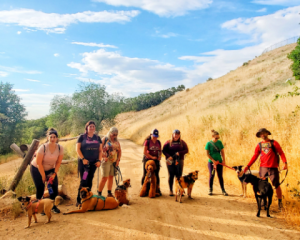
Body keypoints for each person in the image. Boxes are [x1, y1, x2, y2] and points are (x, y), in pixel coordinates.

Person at [244, 128, 288, 210]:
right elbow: (255, 156)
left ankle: (280, 203)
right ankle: (264, 202)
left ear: (267, 133)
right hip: (263, 168)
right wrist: (248, 166)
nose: (262, 135)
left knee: (276, 185)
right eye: (261, 134)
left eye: (263, 133)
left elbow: (281, 152)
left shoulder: (274, 143)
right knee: (263, 185)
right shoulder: (259, 145)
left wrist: (285, 163)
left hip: (273, 167)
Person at [30, 128, 64, 213]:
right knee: (40, 188)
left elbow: (59, 162)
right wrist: (43, 176)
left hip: (50, 169)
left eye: (54, 137)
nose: (52, 139)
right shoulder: (43, 147)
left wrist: (54, 174)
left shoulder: (60, 148)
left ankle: (52, 206)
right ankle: (40, 208)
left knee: (53, 187)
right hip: (37, 169)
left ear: (57, 138)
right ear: (48, 138)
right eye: (51, 137)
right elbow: (38, 163)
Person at [76, 121, 102, 205]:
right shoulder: (82, 137)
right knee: (84, 180)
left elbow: (100, 150)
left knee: (90, 180)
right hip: (84, 164)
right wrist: (83, 159)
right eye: (90, 126)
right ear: (86, 127)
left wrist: (99, 161)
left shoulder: (97, 138)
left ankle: (87, 198)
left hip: (93, 163)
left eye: (93, 126)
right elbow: (78, 149)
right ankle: (79, 199)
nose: (92, 128)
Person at [163, 129, 188, 196]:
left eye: (178, 134)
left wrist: (179, 153)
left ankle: (179, 190)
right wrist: (168, 156)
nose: (176, 135)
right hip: (170, 161)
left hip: (180, 160)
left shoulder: (182, 142)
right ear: (173, 134)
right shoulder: (168, 142)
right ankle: (171, 190)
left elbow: (186, 150)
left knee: (179, 175)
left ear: (179, 135)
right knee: (171, 175)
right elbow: (164, 150)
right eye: (175, 134)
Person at [98, 127, 121, 198]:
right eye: (113, 134)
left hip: (114, 162)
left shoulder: (117, 141)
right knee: (104, 177)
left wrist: (118, 160)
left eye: (116, 134)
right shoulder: (104, 139)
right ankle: (99, 193)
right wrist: (103, 157)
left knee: (111, 177)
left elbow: (119, 151)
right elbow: (100, 150)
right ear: (110, 133)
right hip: (106, 161)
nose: (114, 136)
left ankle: (109, 192)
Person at [205, 130, 228, 196]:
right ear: (212, 136)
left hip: (219, 162)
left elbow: (222, 152)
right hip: (211, 162)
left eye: (218, 138)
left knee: (220, 176)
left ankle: (223, 190)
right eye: (216, 138)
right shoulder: (208, 143)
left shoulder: (219, 142)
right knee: (211, 175)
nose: (217, 139)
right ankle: (210, 189)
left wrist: (224, 160)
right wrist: (213, 160)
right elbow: (207, 154)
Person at [142, 129, 162, 196]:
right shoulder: (147, 142)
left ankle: (157, 189)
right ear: (151, 135)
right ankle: (143, 188)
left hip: (156, 161)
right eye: (153, 136)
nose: (155, 137)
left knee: (156, 174)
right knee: (145, 174)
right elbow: (144, 152)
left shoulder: (158, 142)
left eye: (156, 136)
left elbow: (160, 151)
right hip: (148, 160)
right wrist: (152, 157)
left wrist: (159, 157)